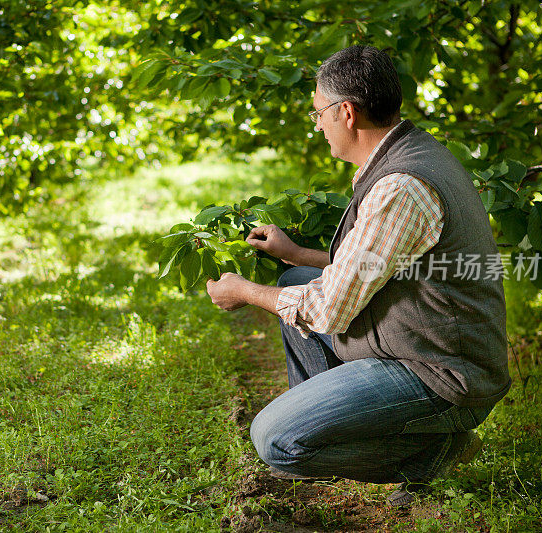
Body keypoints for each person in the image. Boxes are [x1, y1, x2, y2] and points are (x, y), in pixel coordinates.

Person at [205, 45, 510, 507]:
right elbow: (378, 265)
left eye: (318, 114)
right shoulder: (412, 152)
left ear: (346, 112)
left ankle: (430, 452)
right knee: (295, 280)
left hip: (442, 373)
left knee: (273, 441)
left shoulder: (400, 186)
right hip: (420, 340)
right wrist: (296, 254)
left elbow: (328, 309)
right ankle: (326, 423)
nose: (318, 126)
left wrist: (243, 291)